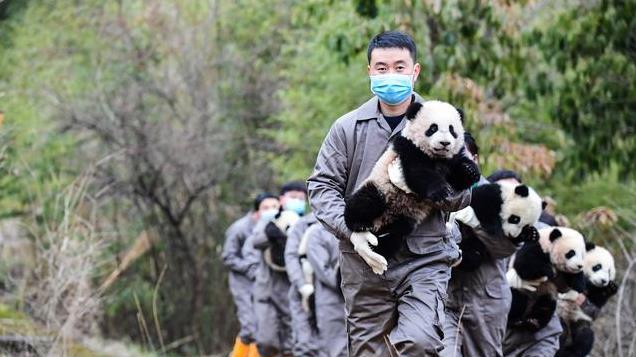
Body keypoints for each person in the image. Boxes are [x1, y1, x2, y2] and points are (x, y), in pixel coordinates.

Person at [307, 31, 470, 356]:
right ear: (370, 71)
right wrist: (351, 231)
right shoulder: (347, 128)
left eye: (399, 66)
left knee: (419, 342)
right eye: (382, 68)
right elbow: (321, 187)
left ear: (415, 71)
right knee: (370, 352)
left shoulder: (443, 121)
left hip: (424, 259)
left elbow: (465, 192)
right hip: (364, 264)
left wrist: (427, 187)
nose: (390, 75)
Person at [441, 136, 517, 357]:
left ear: (475, 158)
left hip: (486, 301)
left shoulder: (498, 196)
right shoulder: (436, 192)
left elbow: (507, 247)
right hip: (446, 298)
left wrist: (475, 221)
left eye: (462, 156)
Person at [485, 170, 563, 357]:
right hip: (489, 336)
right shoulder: (475, 231)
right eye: (506, 189)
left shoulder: (543, 233)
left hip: (536, 339)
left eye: (518, 189)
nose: (514, 195)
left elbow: (566, 281)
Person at [244, 182, 308, 357]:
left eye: (301, 198)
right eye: (293, 197)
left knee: (292, 345)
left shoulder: (305, 223)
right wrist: (272, 233)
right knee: (266, 341)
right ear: (282, 200)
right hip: (267, 292)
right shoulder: (269, 221)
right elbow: (255, 242)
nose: (297, 201)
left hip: (293, 292)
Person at [223, 192, 279, 357]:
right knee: (250, 327)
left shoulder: (276, 225)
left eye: (274, 207)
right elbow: (228, 256)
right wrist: (249, 269)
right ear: (256, 211)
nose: (271, 210)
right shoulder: (239, 228)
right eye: (266, 207)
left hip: (264, 283)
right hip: (242, 282)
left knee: (263, 327)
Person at [284, 209, 324, 357]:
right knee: (305, 344)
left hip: (334, 293)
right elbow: (291, 255)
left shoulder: (344, 219)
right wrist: (302, 285)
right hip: (304, 293)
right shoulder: (303, 225)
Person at [306, 224, 347, 357]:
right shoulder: (317, 233)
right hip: (330, 300)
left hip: (356, 299)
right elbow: (322, 269)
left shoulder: (354, 229)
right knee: (335, 349)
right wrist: (344, 284)